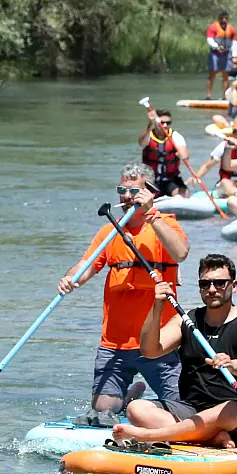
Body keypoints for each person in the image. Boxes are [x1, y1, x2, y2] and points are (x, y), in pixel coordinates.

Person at [57, 162, 190, 420]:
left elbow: (181, 252)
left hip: (159, 342)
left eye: (133, 191)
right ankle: (129, 396)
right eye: (122, 190)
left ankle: (140, 400)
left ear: (150, 191)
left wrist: (152, 213)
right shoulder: (109, 231)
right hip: (115, 343)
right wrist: (69, 278)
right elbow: (86, 266)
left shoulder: (166, 226)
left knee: (180, 410)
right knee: (101, 412)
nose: (126, 196)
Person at [113, 254, 237, 448]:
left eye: (220, 283)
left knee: (230, 410)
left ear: (233, 286)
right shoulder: (188, 320)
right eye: (205, 284)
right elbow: (149, 350)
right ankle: (210, 438)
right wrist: (157, 306)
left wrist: (232, 364)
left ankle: (149, 436)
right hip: (193, 409)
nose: (212, 289)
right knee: (136, 408)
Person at [186, 117, 237, 197]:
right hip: (228, 182)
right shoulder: (225, 145)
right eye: (235, 132)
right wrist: (196, 177)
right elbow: (207, 166)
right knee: (225, 182)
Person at [138, 108, 190, 197]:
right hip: (151, 180)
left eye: (168, 123)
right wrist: (150, 124)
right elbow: (141, 142)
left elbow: (185, 154)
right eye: (162, 123)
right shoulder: (148, 135)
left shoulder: (175, 136)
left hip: (171, 179)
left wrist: (181, 154)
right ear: (156, 123)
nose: (165, 125)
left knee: (185, 194)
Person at [205, 11, 237, 99]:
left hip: (226, 54)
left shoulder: (231, 29)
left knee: (225, 75)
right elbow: (209, 39)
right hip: (215, 54)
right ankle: (208, 95)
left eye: (226, 19)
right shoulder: (213, 27)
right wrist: (216, 46)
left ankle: (224, 96)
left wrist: (234, 56)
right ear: (219, 19)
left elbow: (234, 43)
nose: (224, 20)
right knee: (212, 73)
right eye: (222, 19)